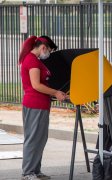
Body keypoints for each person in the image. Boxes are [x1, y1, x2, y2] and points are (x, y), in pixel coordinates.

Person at [19, 36, 66, 180]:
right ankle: (28, 173)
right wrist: (55, 92)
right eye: (49, 50)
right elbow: (36, 85)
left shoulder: (34, 60)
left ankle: (35, 170)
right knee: (34, 139)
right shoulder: (32, 61)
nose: (49, 54)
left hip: (39, 104)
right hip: (35, 104)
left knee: (39, 138)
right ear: (43, 47)